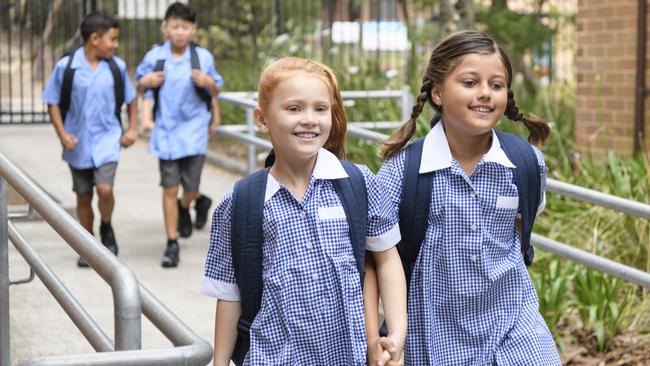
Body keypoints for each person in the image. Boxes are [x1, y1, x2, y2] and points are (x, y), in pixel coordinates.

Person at [370, 30, 562, 364]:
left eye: (497, 85)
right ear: (438, 93)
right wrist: (379, 338)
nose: (485, 94)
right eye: (470, 83)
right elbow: (377, 258)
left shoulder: (525, 163)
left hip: (514, 324)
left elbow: (520, 227)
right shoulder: (402, 171)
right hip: (432, 332)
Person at [201, 57, 407, 365]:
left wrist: (395, 335)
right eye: (294, 108)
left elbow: (387, 258)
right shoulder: (241, 202)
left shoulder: (358, 183)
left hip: (345, 357)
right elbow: (229, 295)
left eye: (320, 109)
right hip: (271, 356)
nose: (309, 119)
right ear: (262, 119)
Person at [43, 12, 137, 268]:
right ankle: (88, 245)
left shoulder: (116, 67)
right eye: (113, 39)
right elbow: (51, 101)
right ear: (94, 39)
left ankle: (106, 225)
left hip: (108, 140)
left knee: (104, 189)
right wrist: (62, 134)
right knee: (83, 196)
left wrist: (132, 129)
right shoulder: (67, 67)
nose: (116, 45)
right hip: (78, 142)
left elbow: (131, 100)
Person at [135, 2, 224, 268]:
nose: (180, 32)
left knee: (191, 187)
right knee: (170, 187)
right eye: (175, 26)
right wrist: (145, 86)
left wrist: (208, 85)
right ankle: (171, 243)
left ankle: (191, 203)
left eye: (185, 27)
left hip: (195, 131)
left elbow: (215, 90)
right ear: (165, 28)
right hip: (166, 133)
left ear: (193, 29)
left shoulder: (203, 58)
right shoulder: (155, 58)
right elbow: (141, 88)